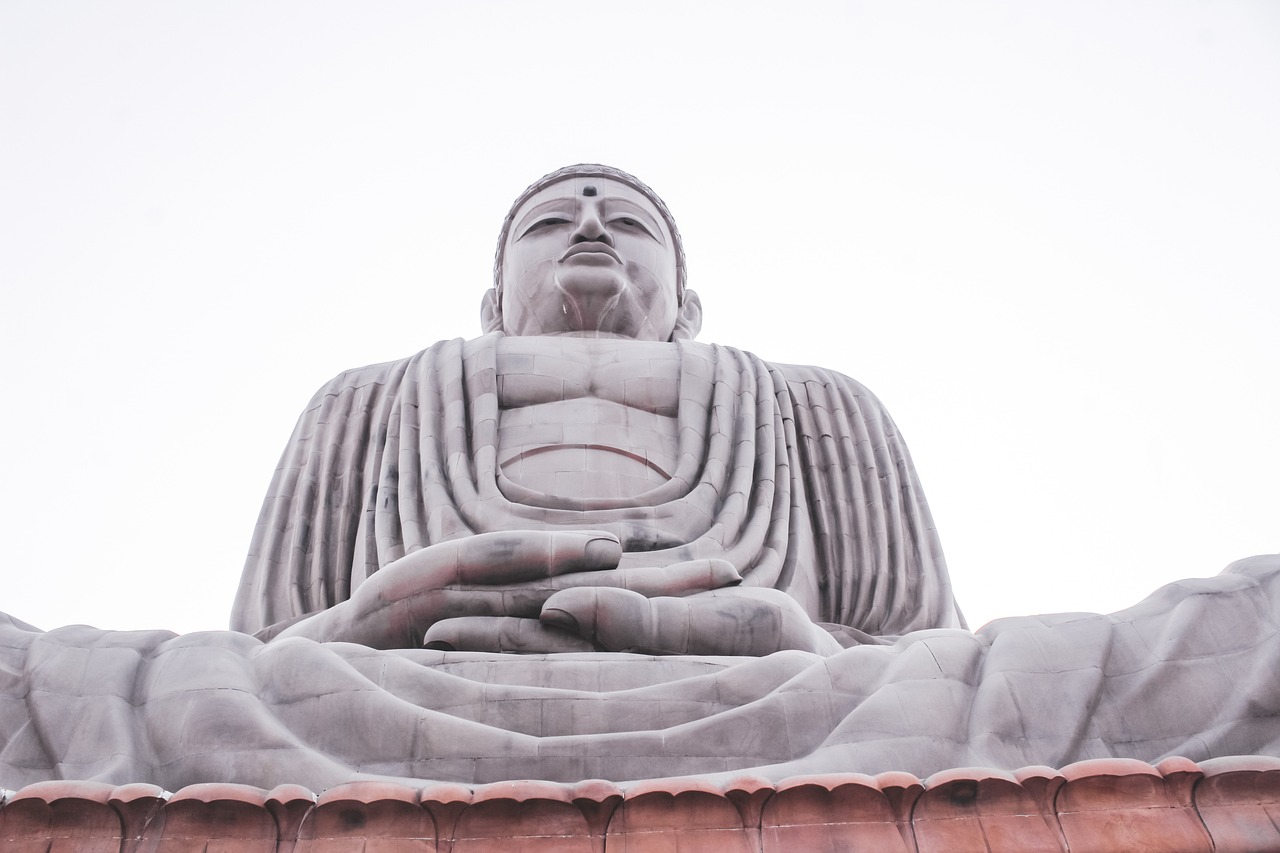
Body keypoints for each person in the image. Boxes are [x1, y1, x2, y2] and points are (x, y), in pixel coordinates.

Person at [231, 163, 965, 655]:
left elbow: (927, 652)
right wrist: (362, 629)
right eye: (549, 222)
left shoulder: (816, 401)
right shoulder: (365, 399)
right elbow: (255, 655)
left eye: (629, 223)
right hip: (406, 688)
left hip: (776, 696)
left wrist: (788, 639)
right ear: (492, 307)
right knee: (129, 678)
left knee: (1065, 664)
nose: (589, 226)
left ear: (688, 307)